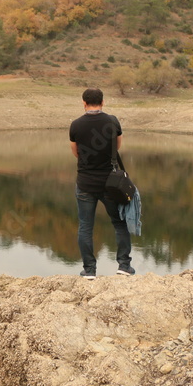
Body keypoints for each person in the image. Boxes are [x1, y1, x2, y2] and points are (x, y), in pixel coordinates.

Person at [69, 88, 134, 280]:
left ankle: (89, 270)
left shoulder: (76, 125)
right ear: (103, 102)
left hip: (85, 183)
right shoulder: (112, 121)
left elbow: (76, 153)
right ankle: (124, 266)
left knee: (85, 226)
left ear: (84, 103)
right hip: (111, 183)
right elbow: (117, 146)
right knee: (120, 223)